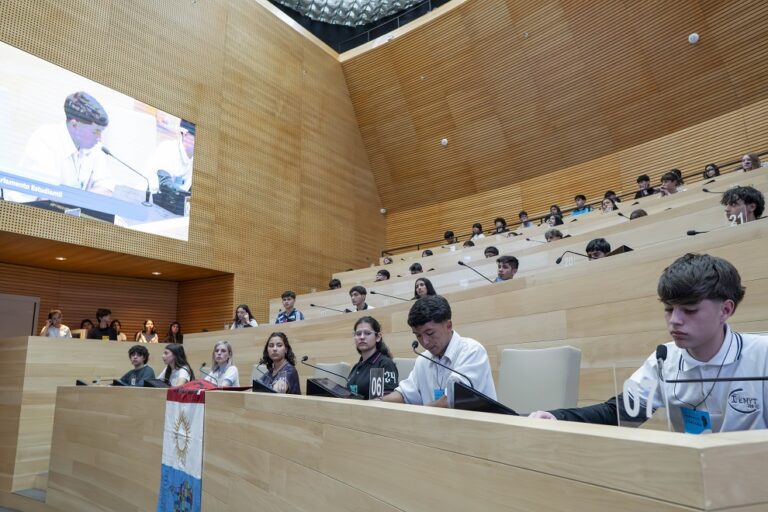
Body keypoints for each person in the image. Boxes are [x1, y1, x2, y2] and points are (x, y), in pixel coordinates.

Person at [529, 253, 768, 433]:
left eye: (690, 310)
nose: (674, 321)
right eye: (668, 309)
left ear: (725, 310)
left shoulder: (762, 355)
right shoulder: (664, 360)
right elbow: (620, 414)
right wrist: (556, 418)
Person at [382, 295, 496, 407]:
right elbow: (404, 394)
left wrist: (420, 414)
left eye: (430, 333)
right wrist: (376, 402)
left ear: (448, 325)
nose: (425, 342)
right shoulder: (423, 360)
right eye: (418, 336)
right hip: (435, 424)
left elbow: (452, 400)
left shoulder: (472, 351)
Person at [14, 91, 114, 199]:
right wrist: (84, 200)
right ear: (74, 125)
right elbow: (48, 194)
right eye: (95, 131)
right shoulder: (46, 138)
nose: (99, 138)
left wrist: (79, 202)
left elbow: (106, 187)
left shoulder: (95, 147)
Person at [347, 316, 398, 398]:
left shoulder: (383, 364)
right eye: (358, 334)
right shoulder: (356, 366)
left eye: (367, 333)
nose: (362, 337)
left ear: (378, 337)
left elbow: (384, 399)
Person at [144, 119, 195, 193]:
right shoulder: (168, 148)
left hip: (169, 201)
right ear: (184, 134)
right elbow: (165, 184)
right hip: (145, 199)